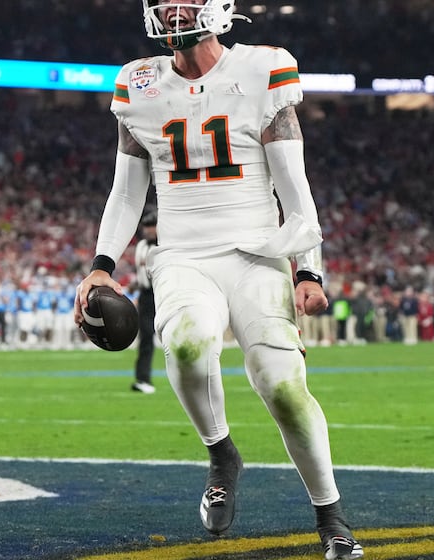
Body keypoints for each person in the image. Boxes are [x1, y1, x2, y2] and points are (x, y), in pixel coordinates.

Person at [73, 2, 363, 558]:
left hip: (258, 250)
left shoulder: (262, 67)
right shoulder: (139, 82)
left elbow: (293, 184)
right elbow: (127, 191)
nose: (174, 11)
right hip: (183, 254)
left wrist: (309, 269)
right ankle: (221, 453)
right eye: (166, 2)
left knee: (282, 384)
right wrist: (101, 264)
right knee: (186, 344)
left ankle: (331, 517)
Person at [131, 210, 158, 394]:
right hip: (146, 295)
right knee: (145, 337)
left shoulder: (165, 245)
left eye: (151, 226)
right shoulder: (141, 245)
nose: (148, 230)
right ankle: (142, 379)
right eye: (146, 227)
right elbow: (141, 273)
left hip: (163, 293)